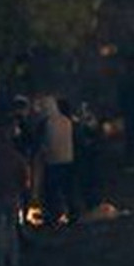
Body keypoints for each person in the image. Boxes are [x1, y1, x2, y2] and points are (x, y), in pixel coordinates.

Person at [0, 119, 28, 266]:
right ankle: (13, 260)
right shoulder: (17, 157)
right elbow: (24, 176)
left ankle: (0, 260)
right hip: (12, 194)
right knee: (11, 229)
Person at [40, 96, 76, 224]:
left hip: (52, 161)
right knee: (68, 189)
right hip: (68, 159)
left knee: (52, 190)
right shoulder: (67, 121)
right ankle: (72, 212)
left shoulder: (47, 123)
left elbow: (41, 142)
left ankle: (53, 214)